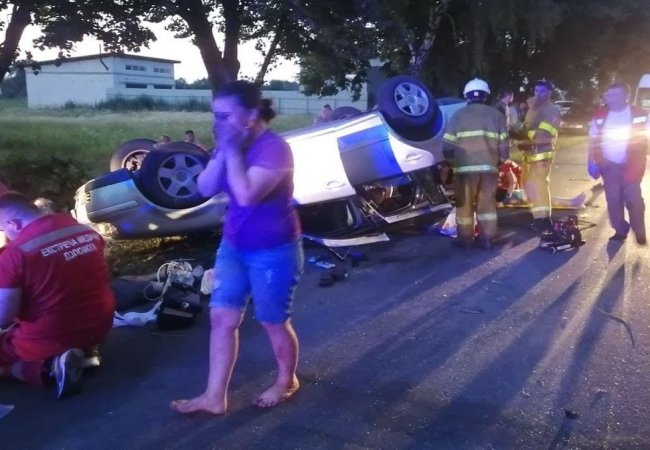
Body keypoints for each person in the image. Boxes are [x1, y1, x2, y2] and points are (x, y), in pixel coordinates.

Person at [170, 80, 303, 415]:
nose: (218, 124)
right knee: (222, 318)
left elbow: (245, 194)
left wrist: (229, 149)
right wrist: (224, 149)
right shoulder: (230, 144)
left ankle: (286, 380)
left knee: (273, 321)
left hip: (274, 249)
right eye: (215, 116)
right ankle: (214, 397)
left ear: (251, 115)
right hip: (233, 246)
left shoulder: (273, 148)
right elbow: (204, 187)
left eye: (225, 116)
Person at [0, 192, 115, 398]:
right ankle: (85, 352)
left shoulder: (15, 253)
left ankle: (50, 369)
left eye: (3, 229)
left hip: (53, 335)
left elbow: (4, 317)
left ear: (13, 224)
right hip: (101, 322)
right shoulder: (80, 229)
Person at [443, 78, 509, 249]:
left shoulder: (458, 115)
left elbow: (448, 145)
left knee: (464, 205)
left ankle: (465, 239)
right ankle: (487, 238)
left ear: (466, 96)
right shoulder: (496, 115)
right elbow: (504, 145)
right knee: (487, 204)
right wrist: (500, 161)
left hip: (464, 170)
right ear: (486, 96)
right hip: (489, 169)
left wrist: (450, 162)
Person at [587, 81, 648, 245]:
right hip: (608, 164)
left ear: (626, 96)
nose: (611, 99)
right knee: (613, 199)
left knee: (633, 198)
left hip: (633, 164)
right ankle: (620, 229)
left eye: (615, 95)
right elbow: (592, 139)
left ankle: (639, 230)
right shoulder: (600, 114)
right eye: (609, 95)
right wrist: (590, 162)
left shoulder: (640, 114)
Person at [519, 79, 561, 234]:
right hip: (530, 154)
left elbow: (544, 135)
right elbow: (527, 129)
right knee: (530, 186)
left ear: (549, 93)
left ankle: (543, 220)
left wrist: (525, 139)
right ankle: (539, 218)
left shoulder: (551, 110)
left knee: (539, 185)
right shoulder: (533, 109)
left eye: (542, 91)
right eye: (536, 91)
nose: (538, 94)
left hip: (542, 155)